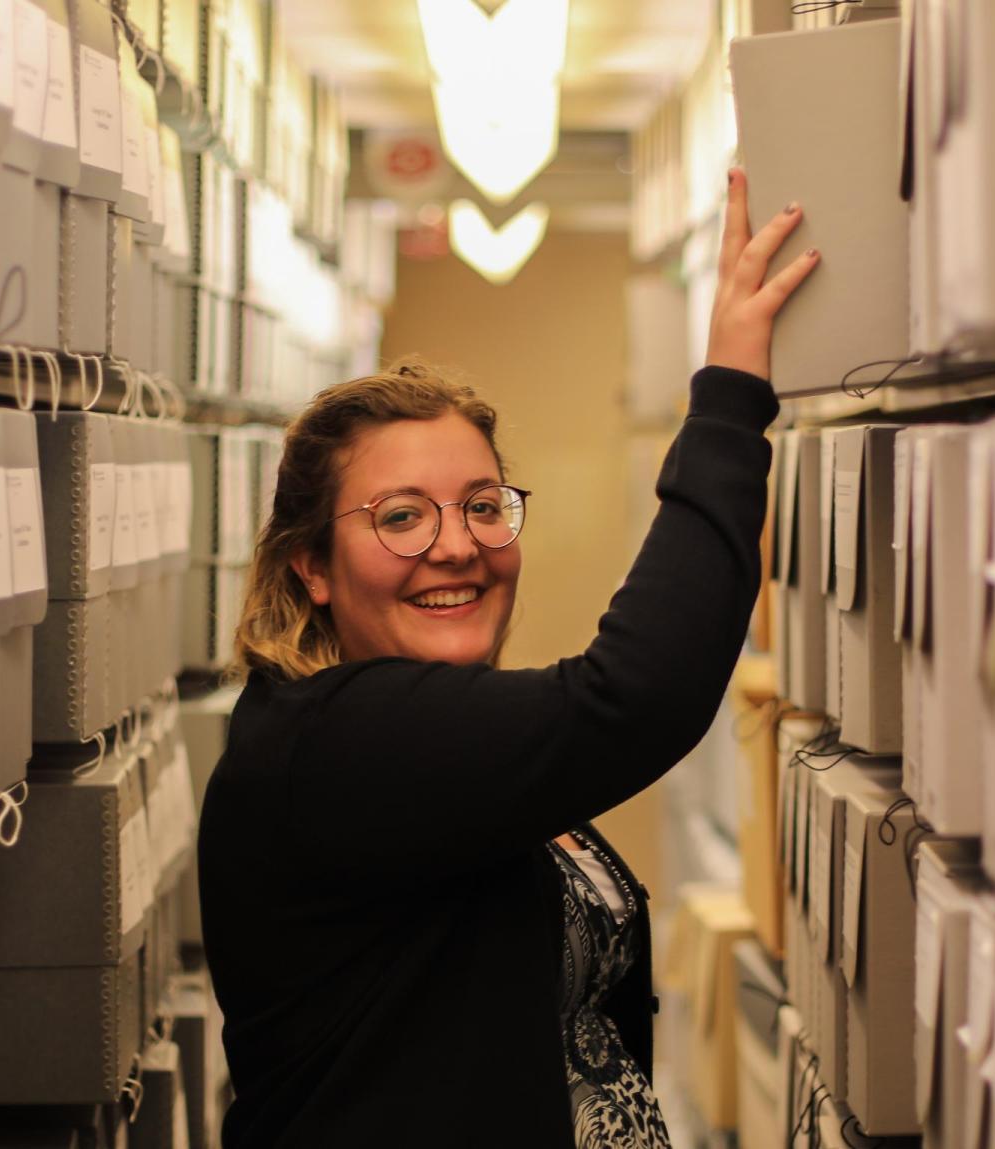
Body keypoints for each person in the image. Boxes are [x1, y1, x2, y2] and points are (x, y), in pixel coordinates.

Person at [197, 171, 819, 1148]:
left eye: (484, 504)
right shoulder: (335, 742)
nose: (457, 544)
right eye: (400, 517)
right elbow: (631, 697)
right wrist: (731, 401)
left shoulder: (429, 724)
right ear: (312, 565)